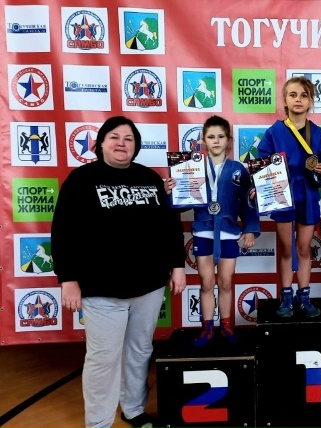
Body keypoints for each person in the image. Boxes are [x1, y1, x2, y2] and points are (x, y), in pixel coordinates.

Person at [51, 116, 187, 428]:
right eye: (114, 137)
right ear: (100, 143)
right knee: (103, 358)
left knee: (140, 351)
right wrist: (68, 279)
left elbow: (169, 226)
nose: (121, 143)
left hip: (149, 286)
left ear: (136, 146)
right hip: (101, 289)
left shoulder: (150, 178)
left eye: (128, 138)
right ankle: (98, 423)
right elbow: (63, 232)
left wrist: (178, 265)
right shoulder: (81, 179)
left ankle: (134, 409)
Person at [165, 115, 260, 347]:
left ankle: (226, 325)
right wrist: (171, 193)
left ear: (229, 140)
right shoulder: (193, 168)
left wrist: (249, 229)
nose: (216, 141)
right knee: (206, 282)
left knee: (225, 282)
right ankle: (207, 328)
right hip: (204, 232)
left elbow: (247, 204)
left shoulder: (238, 170)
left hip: (228, 232)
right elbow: (182, 204)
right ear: (203, 140)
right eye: (211, 137)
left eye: (221, 136)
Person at [257, 76, 321, 317]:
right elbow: (263, 164)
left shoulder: (318, 133)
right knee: (286, 249)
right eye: (293, 95)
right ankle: (285, 297)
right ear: (285, 100)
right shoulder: (274, 132)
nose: (298, 100)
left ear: (311, 101)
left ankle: (304, 296)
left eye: (304, 95)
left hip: (308, 194)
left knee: (304, 248)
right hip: (283, 195)